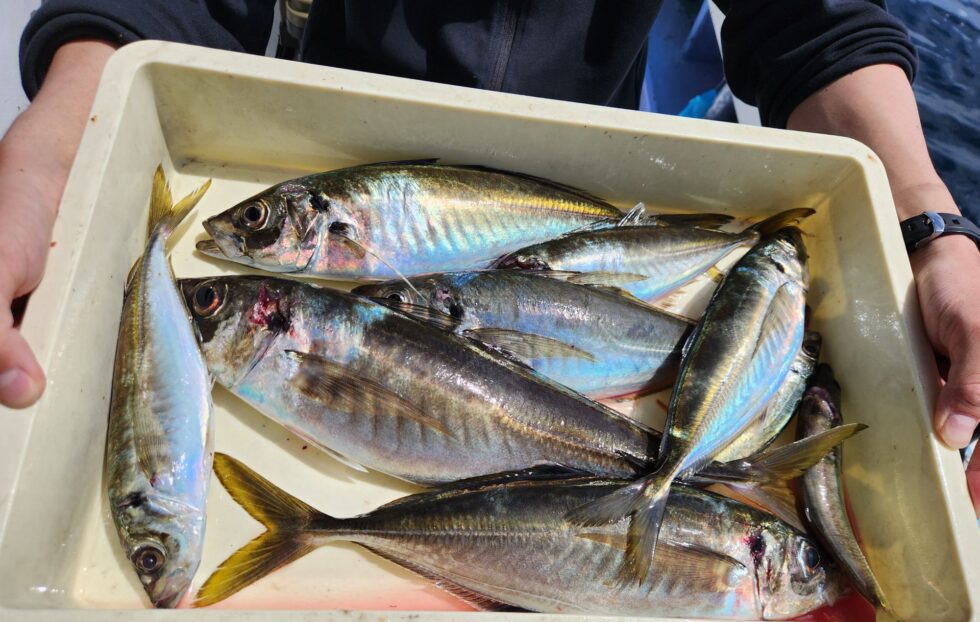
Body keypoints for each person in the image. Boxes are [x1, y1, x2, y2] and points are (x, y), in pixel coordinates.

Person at [2, 1, 978, 500]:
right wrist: (49, 160)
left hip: (572, 161)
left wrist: (924, 219)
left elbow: (812, 21)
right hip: (342, 133)